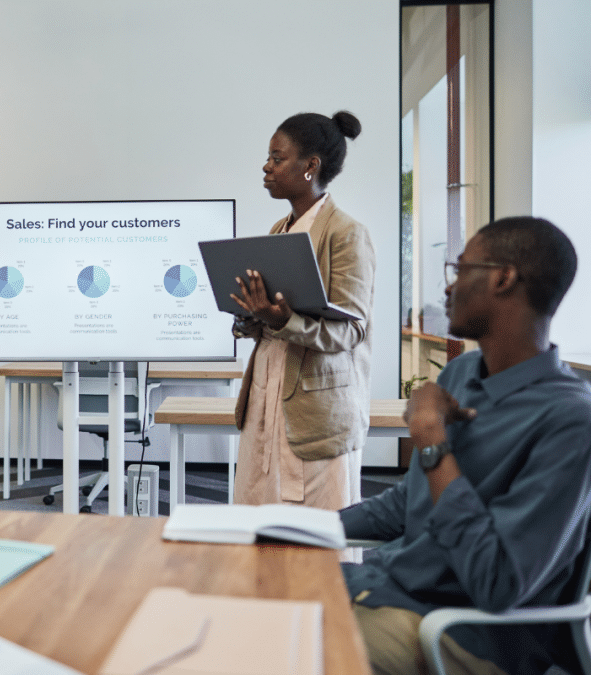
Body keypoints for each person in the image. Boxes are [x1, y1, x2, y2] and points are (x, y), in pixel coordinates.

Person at [341, 217, 591, 675]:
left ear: (503, 277)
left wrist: (432, 442)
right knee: (242, 596)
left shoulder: (570, 420)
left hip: (464, 634)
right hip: (384, 590)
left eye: (459, 271)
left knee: (273, 647)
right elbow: (406, 503)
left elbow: (497, 583)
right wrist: (300, 526)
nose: (448, 289)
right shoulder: (462, 375)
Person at [230, 111, 375, 510]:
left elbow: (350, 332)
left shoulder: (346, 234)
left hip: (317, 410)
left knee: (316, 537)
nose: (267, 166)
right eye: (269, 157)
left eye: (277, 158)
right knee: (259, 519)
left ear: (311, 166)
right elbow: (275, 322)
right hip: (267, 395)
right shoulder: (280, 229)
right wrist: (253, 316)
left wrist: (284, 321)